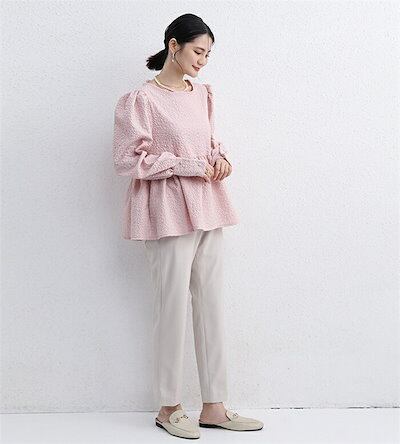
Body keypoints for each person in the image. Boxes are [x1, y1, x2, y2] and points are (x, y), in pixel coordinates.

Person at [112, 13, 263, 439]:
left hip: (208, 205)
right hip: (166, 211)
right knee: (171, 305)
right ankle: (169, 406)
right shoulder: (141, 100)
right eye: (198, 51)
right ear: (173, 45)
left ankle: (215, 406)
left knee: (210, 303)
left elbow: (207, 142)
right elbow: (128, 160)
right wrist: (189, 165)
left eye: (208, 55)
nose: (203, 61)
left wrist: (220, 159)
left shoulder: (203, 94)